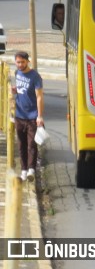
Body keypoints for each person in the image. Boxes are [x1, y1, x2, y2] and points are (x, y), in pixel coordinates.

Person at [13, 51, 44, 182]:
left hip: (32, 116)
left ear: (28, 61)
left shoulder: (35, 76)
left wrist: (40, 116)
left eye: (23, 62)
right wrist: (15, 90)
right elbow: (20, 90)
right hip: (19, 115)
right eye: (18, 62)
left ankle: (31, 170)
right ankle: (24, 170)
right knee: (21, 144)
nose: (20, 65)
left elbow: (39, 97)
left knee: (31, 144)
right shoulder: (17, 73)